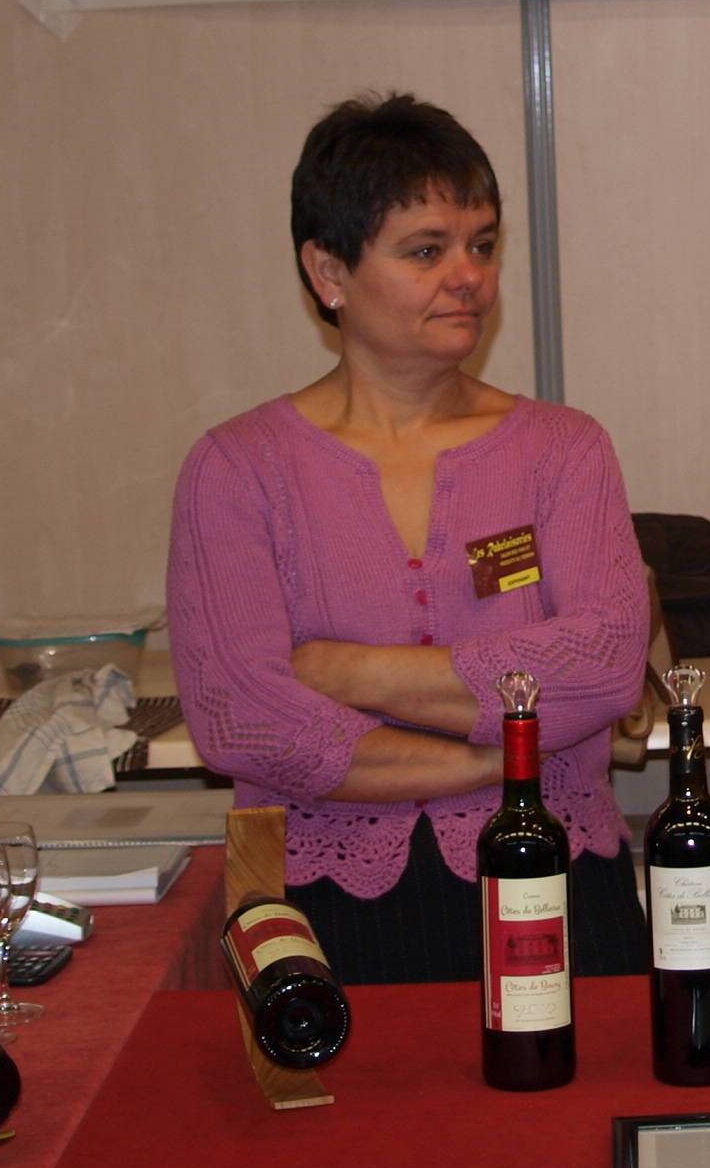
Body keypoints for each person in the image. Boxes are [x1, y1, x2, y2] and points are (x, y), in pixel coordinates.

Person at [168, 92, 651, 982]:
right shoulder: (237, 469)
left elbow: (606, 664)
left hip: (562, 895)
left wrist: (345, 671)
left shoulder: (565, 450)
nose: (468, 276)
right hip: (329, 923)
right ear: (329, 271)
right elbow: (246, 721)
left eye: (482, 244)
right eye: (427, 250)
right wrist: (506, 756)